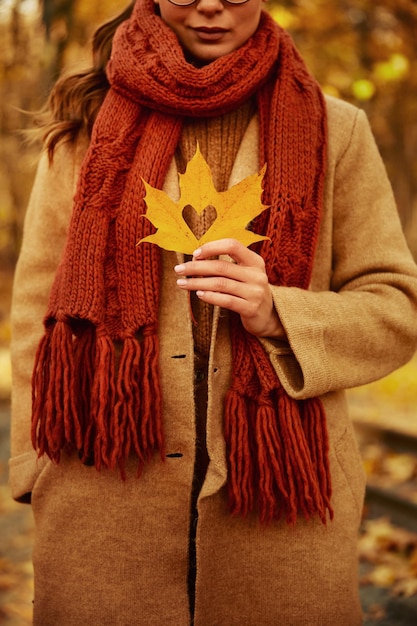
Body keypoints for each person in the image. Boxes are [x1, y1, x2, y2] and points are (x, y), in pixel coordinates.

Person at [9, 0, 417, 623]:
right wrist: (33, 471)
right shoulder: (85, 131)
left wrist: (280, 313)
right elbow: (36, 312)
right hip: (104, 498)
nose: (208, 6)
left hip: (280, 505)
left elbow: (397, 304)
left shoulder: (339, 130)